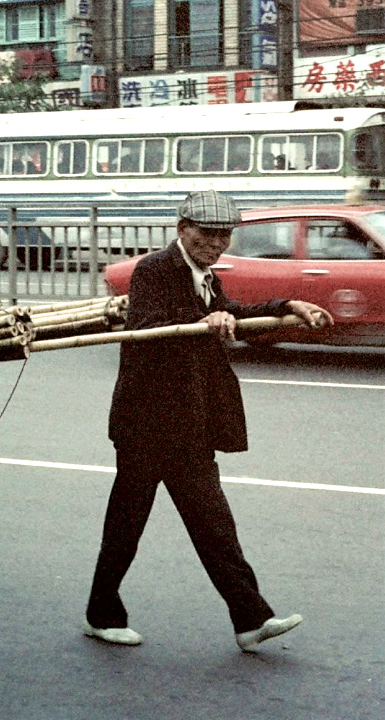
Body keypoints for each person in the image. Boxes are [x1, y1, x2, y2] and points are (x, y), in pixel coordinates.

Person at [84, 190, 333, 652]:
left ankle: (250, 618)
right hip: (146, 422)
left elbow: (232, 313)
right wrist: (205, 317)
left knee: (214, 524)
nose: (215, 244)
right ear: (182, 229)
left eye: (223, 236)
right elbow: (150, 327)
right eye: (206, 234)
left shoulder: (206, 276)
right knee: (126, 525)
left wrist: (285, 308)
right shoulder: (154, 270)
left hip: (187, 424)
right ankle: (101, 614)